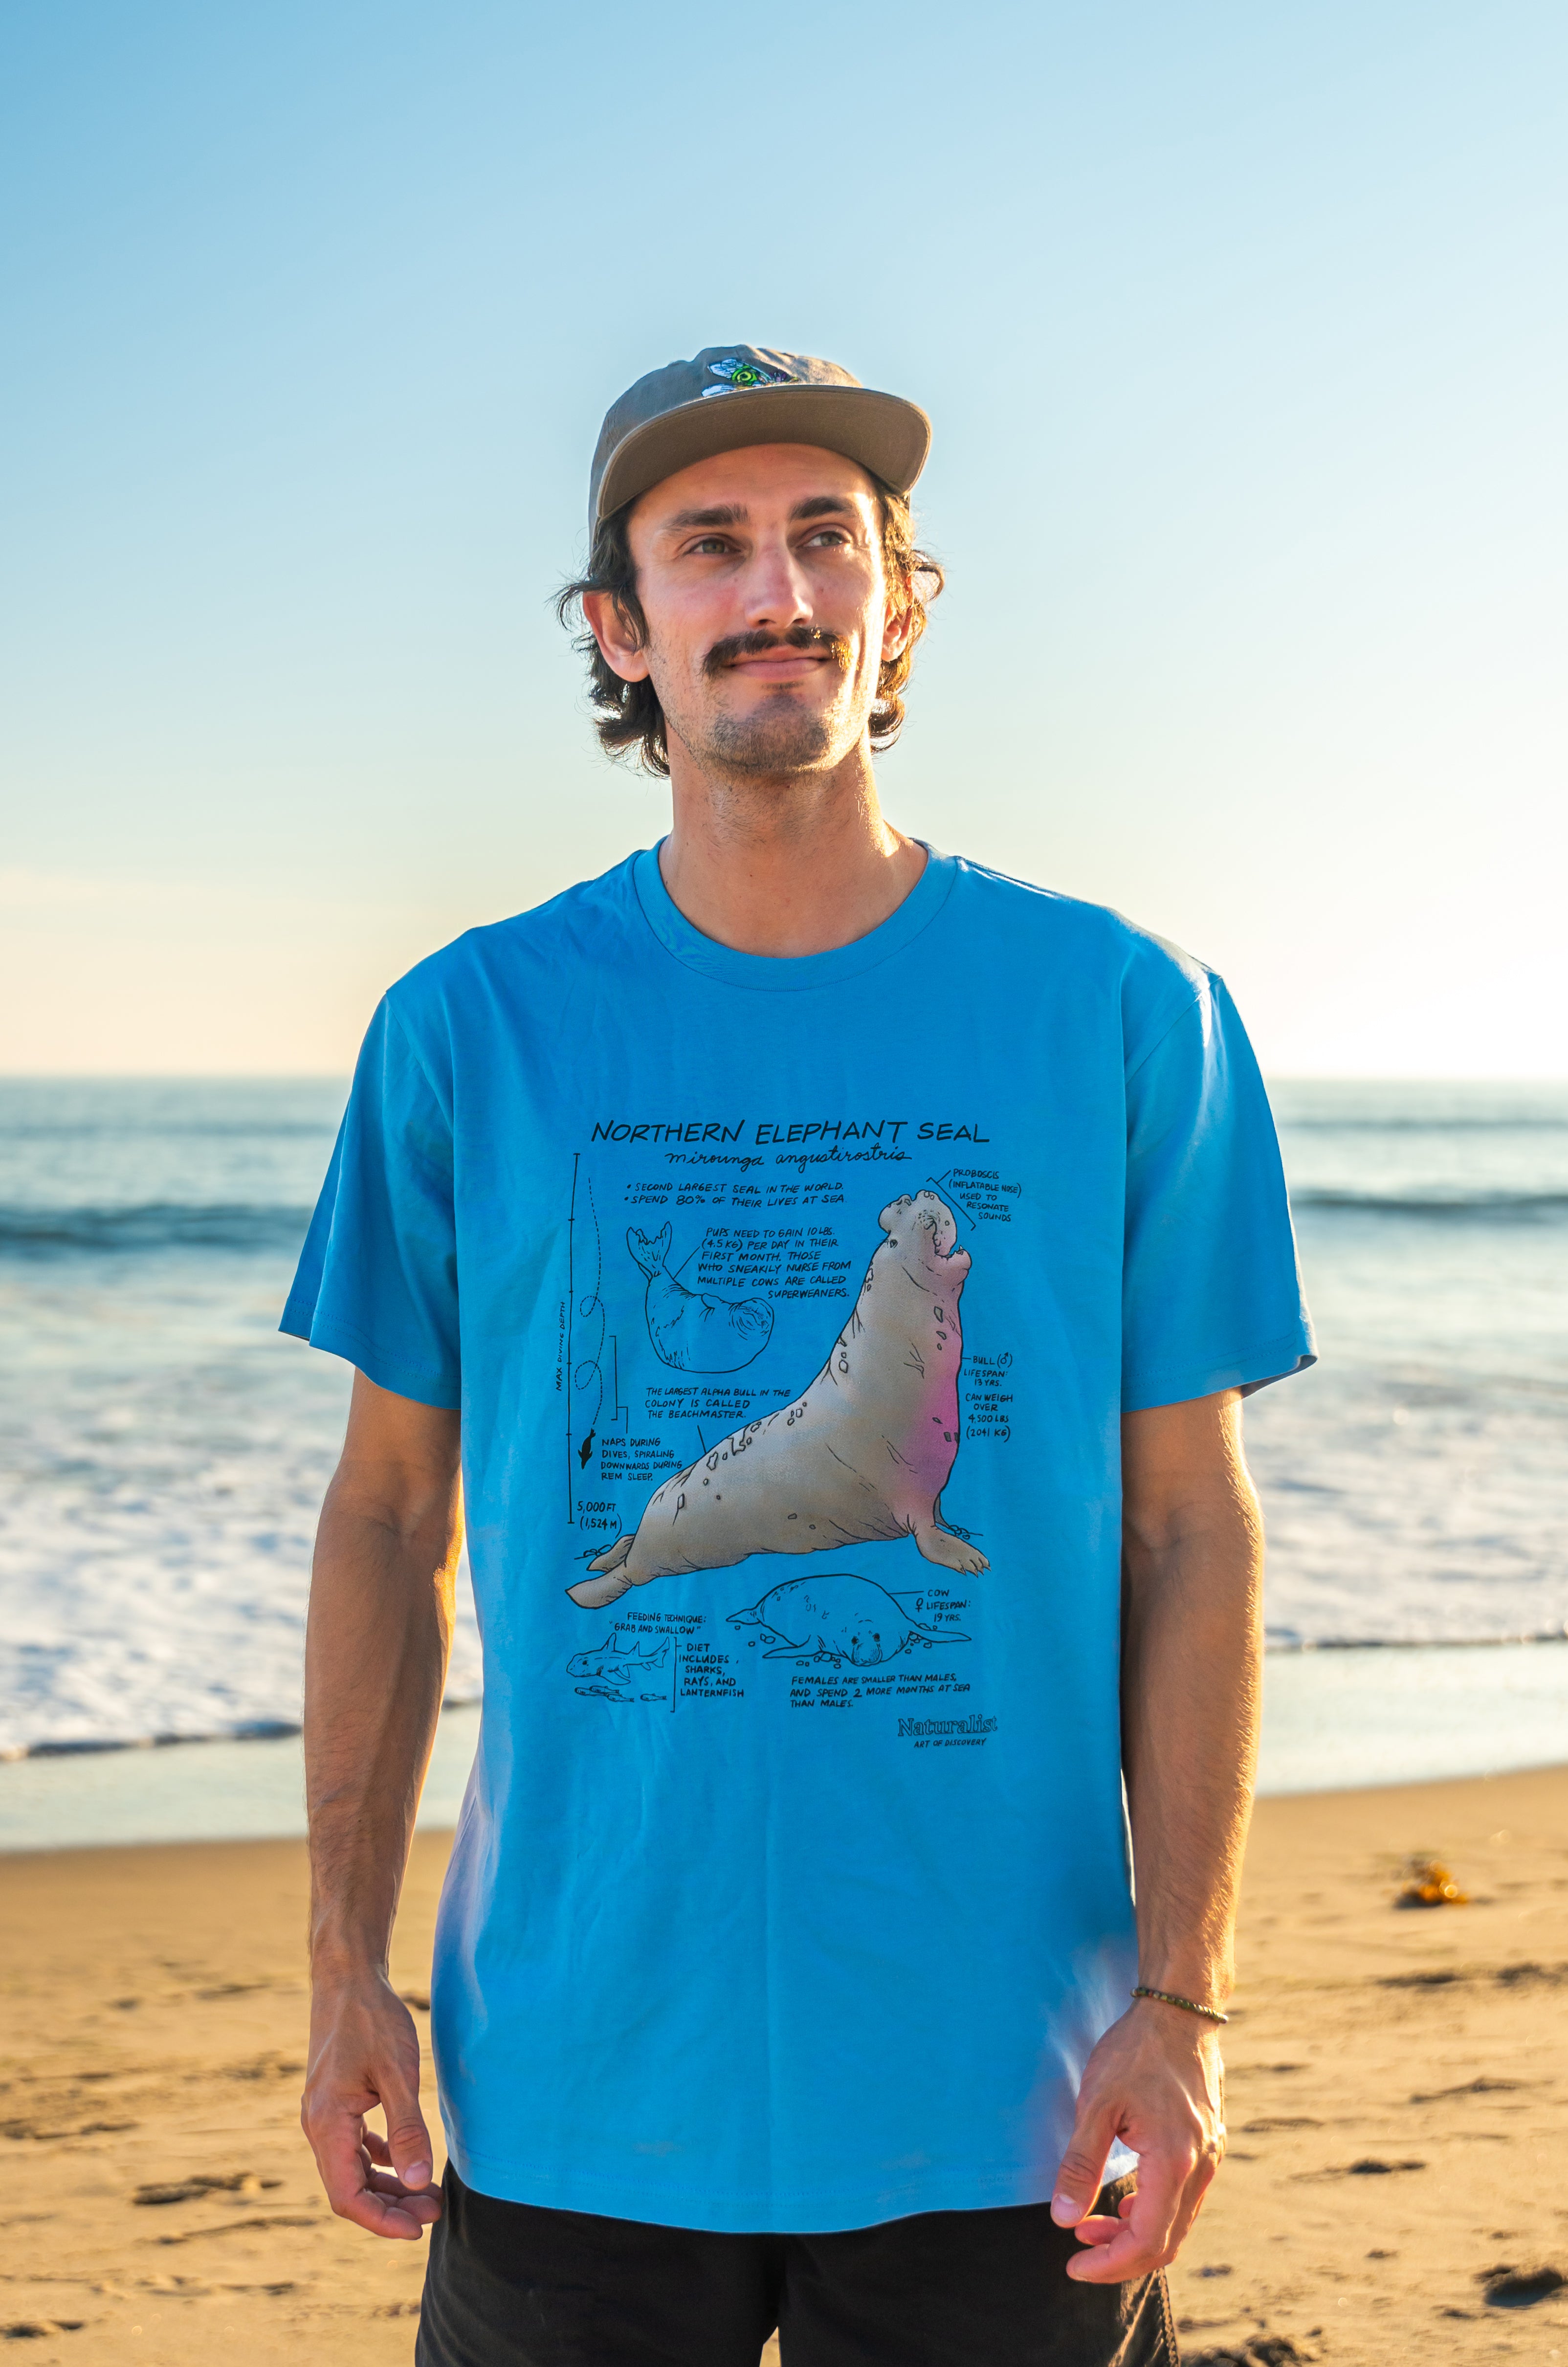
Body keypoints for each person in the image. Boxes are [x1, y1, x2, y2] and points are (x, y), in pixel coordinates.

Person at [284, 344, 1315, 2367]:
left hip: (1003, 2091)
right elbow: (386, 1508)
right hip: (575, 2079)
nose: (779, 587)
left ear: (899, 603)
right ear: (620, 628)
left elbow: (1187, 1528)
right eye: (710, 543)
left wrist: (1183, 2003)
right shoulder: (466, 1025)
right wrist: (341, 1973)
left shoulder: (1122, 1008)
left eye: (828, 537)